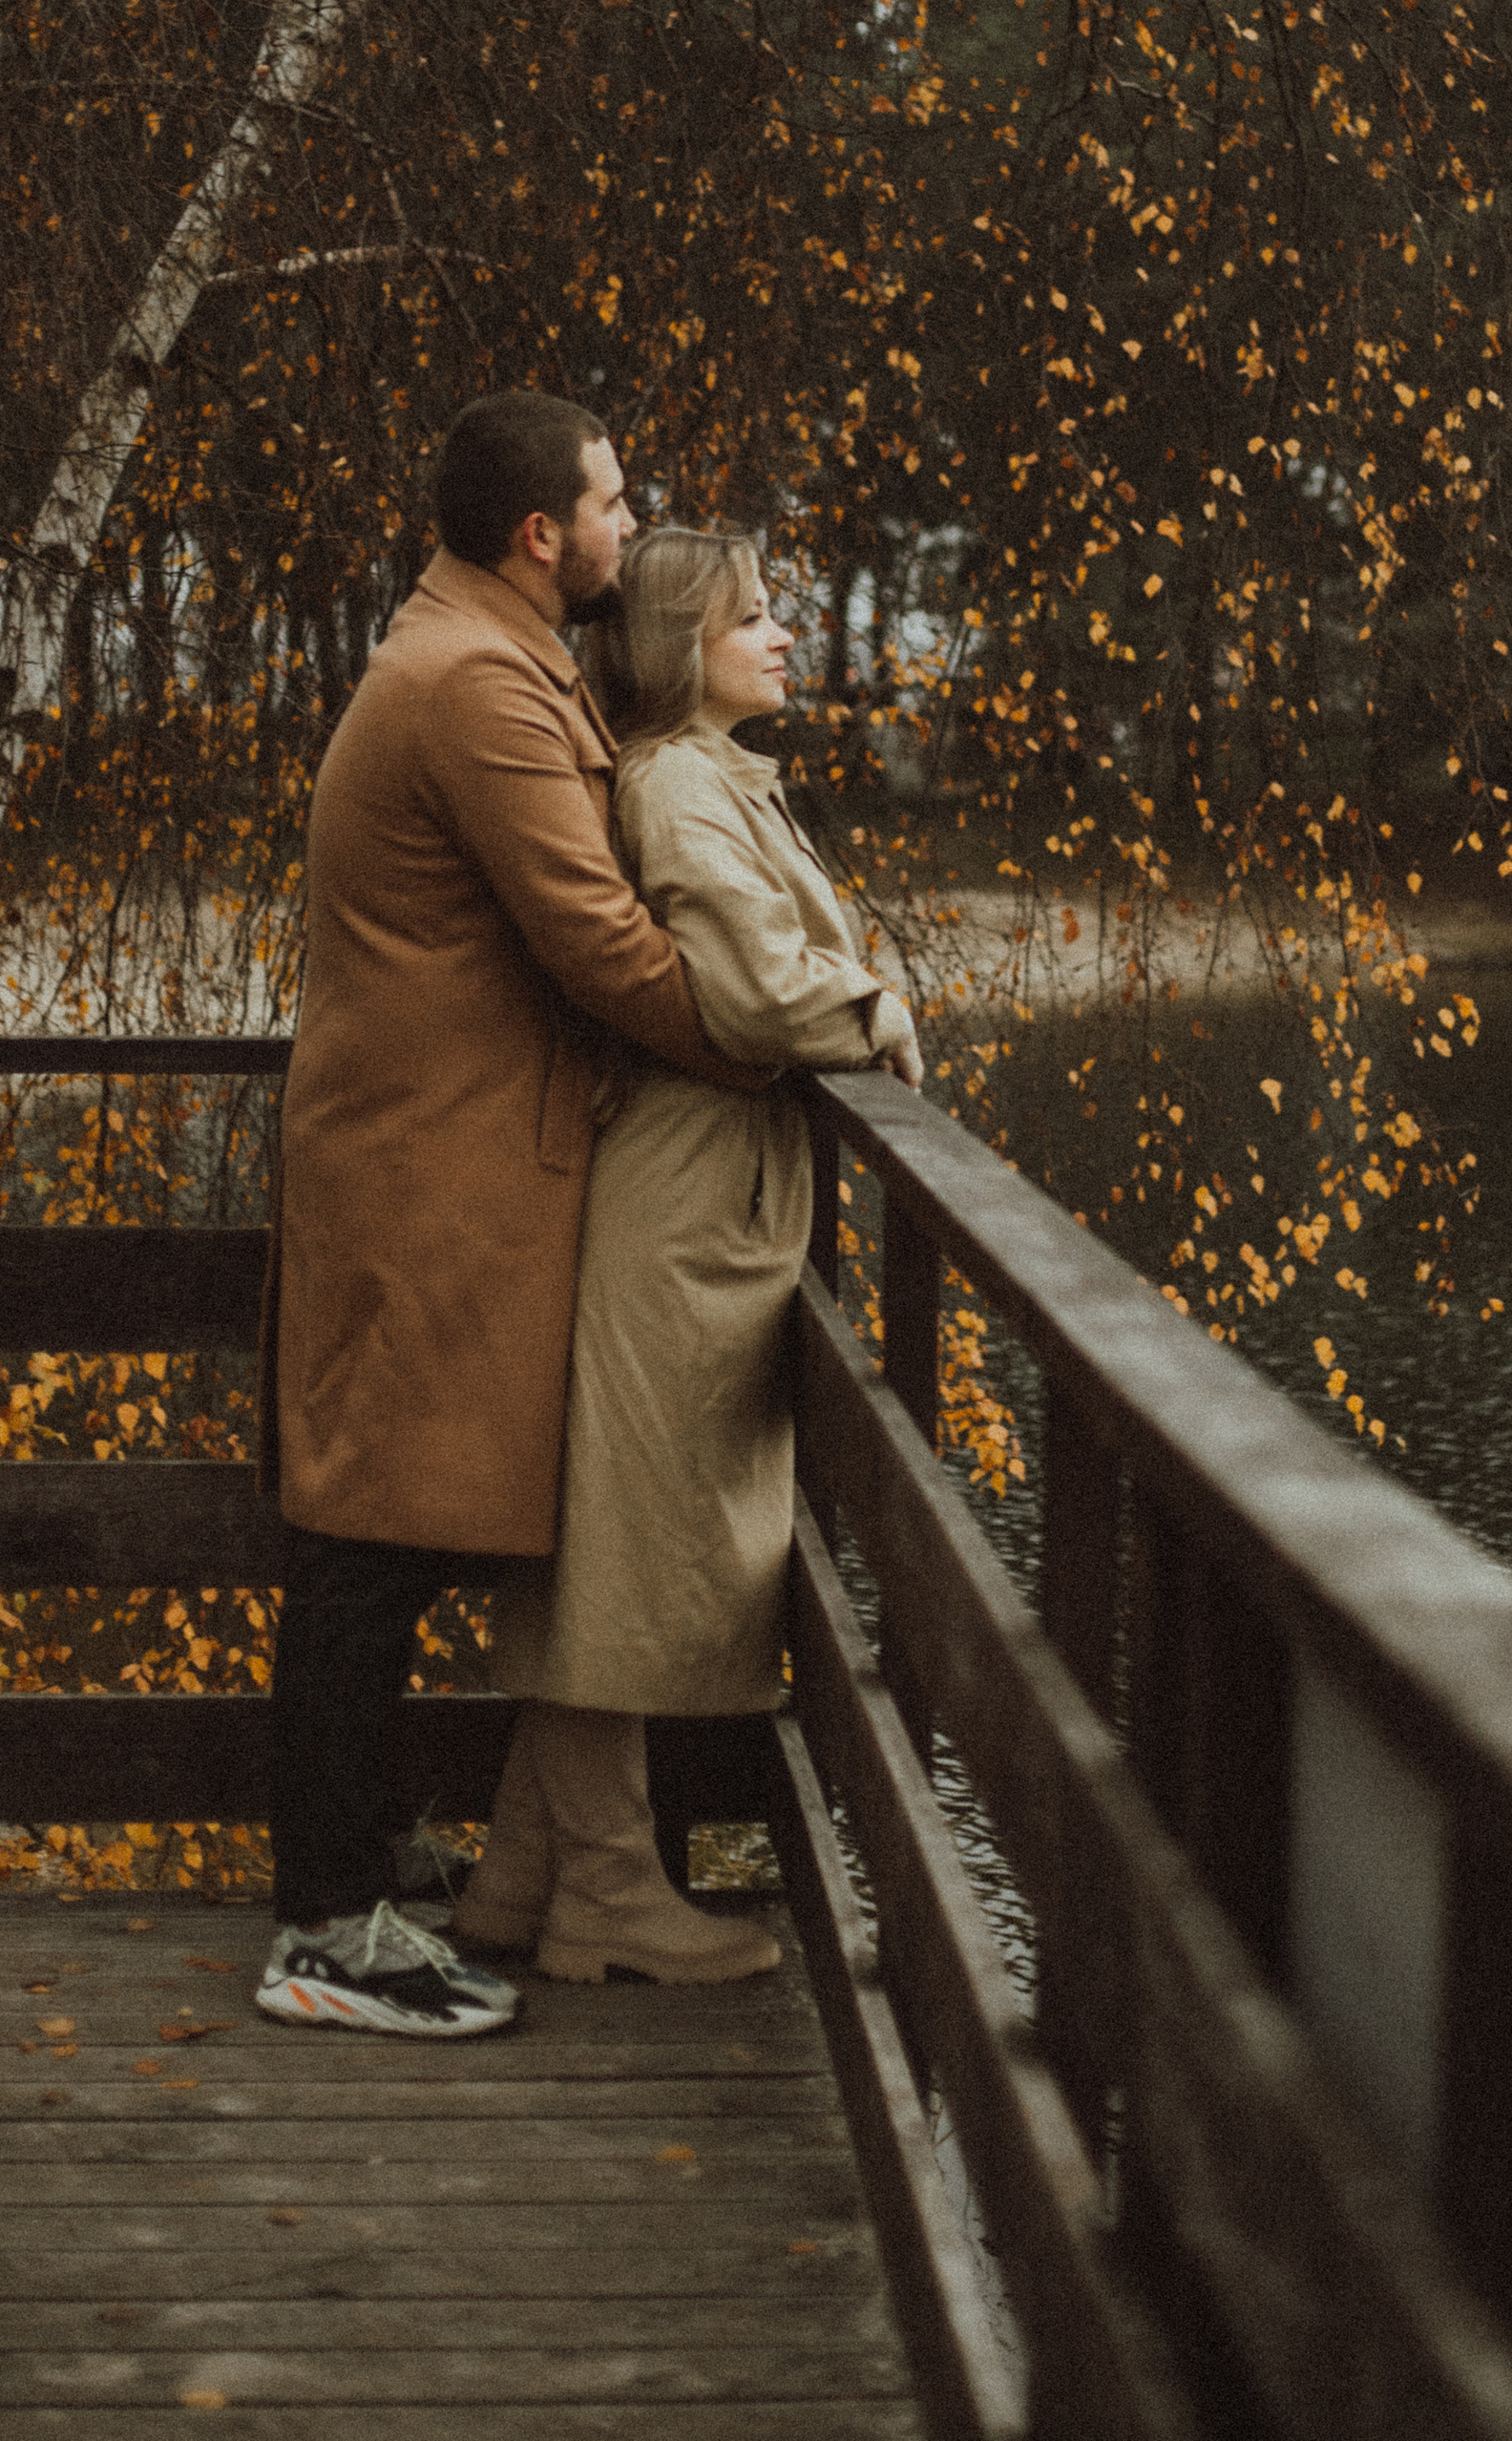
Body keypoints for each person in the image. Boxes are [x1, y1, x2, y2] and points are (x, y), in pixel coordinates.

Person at [255, 395, 768, 2039]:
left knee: (378, 1540)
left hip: (442, 1170)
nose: (633, 522)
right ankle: (326, 1930)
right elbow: (602, 944)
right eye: (615, 501)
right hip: (422, 1182)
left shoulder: (484, 651)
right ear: (539, 532)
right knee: (363, 1547)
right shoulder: (473, 681)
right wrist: (779, 1040)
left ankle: (384, 1877)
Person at [453, 527, 921, 1984]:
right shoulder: (674, 784)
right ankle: (607, 1896)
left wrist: (857, 987)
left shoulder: (715, 782)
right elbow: (753, 988)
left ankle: (519, 1893)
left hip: (708, 1195)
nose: (785, 637)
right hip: (681, 1208)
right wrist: (879, 1017)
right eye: (753, 619)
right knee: (632, 1559)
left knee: (626, 1547)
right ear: (678, 647)